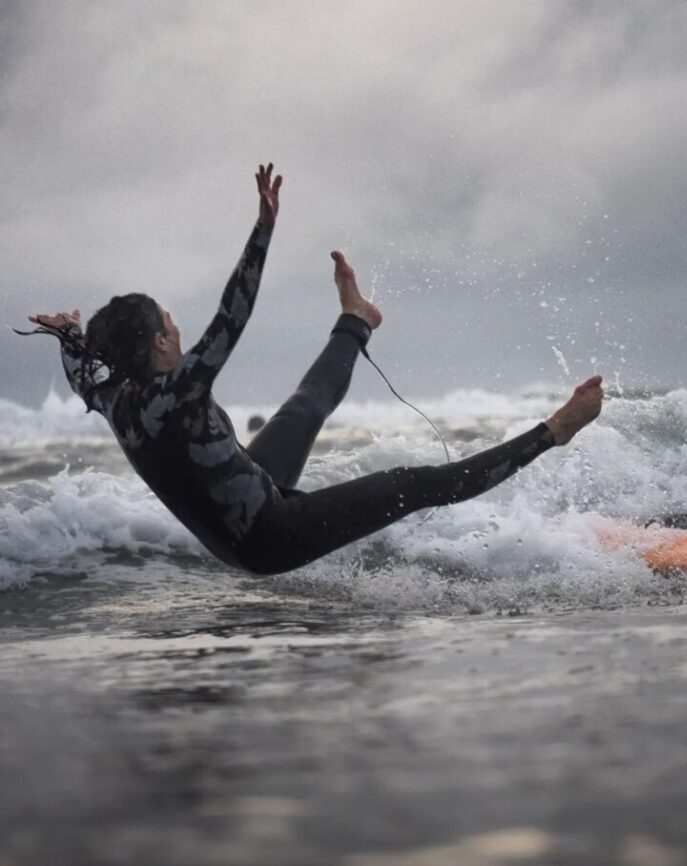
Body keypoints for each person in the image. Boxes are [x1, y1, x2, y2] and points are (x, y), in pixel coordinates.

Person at [22, 164, 604, 575]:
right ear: (157, 345)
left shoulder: (115, 397)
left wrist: (68, 334)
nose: (178, 329)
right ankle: (555, 430)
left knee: (303, 407)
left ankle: (356, 319)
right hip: (273, 535)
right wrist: (263, 230)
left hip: (240, 507)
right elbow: (234, 314)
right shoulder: (176, 392)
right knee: (417, 484)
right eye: (170, 325)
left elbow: (80, 371)